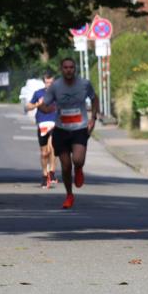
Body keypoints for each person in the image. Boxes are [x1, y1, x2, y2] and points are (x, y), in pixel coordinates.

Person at [39, 57, 98, 209]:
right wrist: (46, 109)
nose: (68, 70)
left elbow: (94, 98)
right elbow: (44, 105)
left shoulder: (84, 84)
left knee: (77, 160)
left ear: (75, 69)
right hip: (61, 129)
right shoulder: (55, 86)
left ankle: (79, 169)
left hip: (79, 128)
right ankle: (69, 195)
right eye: (65, 67)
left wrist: (93, 118)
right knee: (65, 166)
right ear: (61, 69)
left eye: (71, 67)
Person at [24, 71, 57, 188]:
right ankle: (44, 176)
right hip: (42, 123)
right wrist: (37, 104)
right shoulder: (38, 93)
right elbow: (27, 107)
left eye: (51, 82)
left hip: (54, 123)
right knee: (44, 153)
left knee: (53, 147)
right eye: (47, 82)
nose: (49, 84)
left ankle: (52, 172)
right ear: (44, 82)